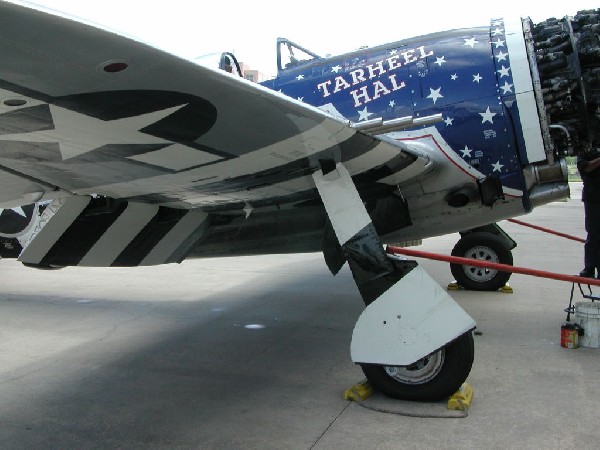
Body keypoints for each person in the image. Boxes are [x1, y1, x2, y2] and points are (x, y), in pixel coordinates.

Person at [577, 150, 600, 277]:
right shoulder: (584, 150)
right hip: (593, 199)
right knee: (593, 234)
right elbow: (585, 167)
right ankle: (589, 267)